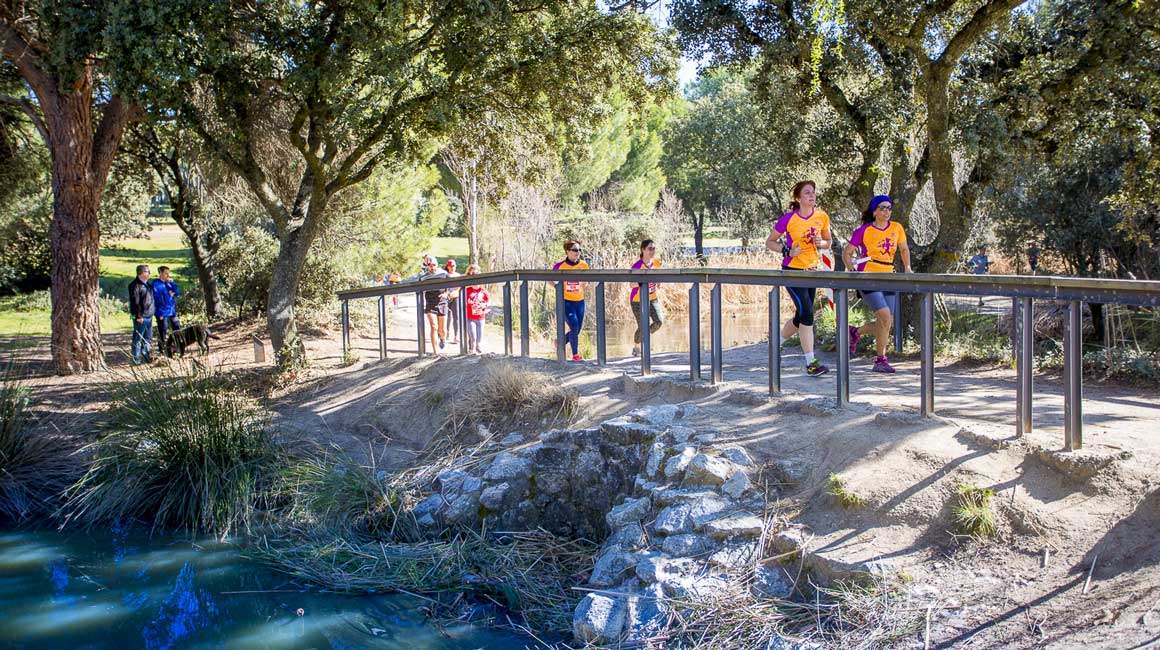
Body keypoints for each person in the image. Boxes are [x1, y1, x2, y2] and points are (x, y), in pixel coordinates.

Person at [766, 180, 832, 377]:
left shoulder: (822, 217)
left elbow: (828, 242)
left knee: (800, 316)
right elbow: (770, 242)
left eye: (813, 192)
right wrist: (787, 250)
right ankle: (811, 363)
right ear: (798, 198)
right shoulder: (788, 219)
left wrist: (822, 243)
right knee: (808, 313)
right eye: (807, 193)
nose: (812, 196)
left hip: (811, 271)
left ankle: (775, 343)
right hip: (792, 271)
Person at [843, 195, 912, 373]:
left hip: (889, 276)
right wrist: (851, 270)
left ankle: (856, 333)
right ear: (874, 211)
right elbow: (847, 253)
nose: (887, 211)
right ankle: (880, 359)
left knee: (886, 322)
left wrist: (908, 268)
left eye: (889, 208)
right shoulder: (864, 230)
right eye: (882, 208)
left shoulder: (897, 228)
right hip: (868, 277)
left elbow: (904, 249)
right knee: (884, 315)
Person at [405, 255, 449, 354]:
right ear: (427, 266)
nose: (432, 267)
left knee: (442, 330)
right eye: (430, 265)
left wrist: (446, 294)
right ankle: (436, 352)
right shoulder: (423, 278)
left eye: (434, 265)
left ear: (437, 265)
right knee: (434, 327)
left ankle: (442, 338)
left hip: (442, 303)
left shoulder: (444, 274)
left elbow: (449, 287)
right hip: (430, 303)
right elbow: (419, 290)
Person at [553, 240, 589, 361]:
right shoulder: (560, 266)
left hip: (580, 301)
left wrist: (585, 284)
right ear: (567, 251)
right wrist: (556, 287)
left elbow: (587, 280)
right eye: (574, 250)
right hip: (566, 302)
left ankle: (560, 341)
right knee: (573, 325)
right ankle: (575, 355)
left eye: (579, 250)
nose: (577, 252)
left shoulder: (584, 265)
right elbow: (549, 278)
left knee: (577, 329)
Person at [630, 239, 663, 357]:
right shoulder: (637, 265)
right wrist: (643, 281)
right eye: (649, 249)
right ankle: (637, 347)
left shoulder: (657, 263)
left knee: (659, 321)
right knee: (642, 325)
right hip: (637, 300)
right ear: (643, 250)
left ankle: (643, 340)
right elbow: (632, 284)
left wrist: (658, 282)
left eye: (654, 249)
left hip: (653, 298)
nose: (652, 251)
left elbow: (659, 278)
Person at [151, 266, 182, 357]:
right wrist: (160, 312)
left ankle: (177, 346)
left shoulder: (169, 283)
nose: (168, 275)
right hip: (162, 311)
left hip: (171, 310)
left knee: (176, 327)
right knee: (163, 329)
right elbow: (157, 297)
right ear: (160, 273)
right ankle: (162, 349)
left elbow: (177, 292)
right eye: (166, 273)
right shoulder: (156, 283)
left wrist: (172, 284)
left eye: (168, 273)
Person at [128, 264, 155, 364]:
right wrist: (138, 316)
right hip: (140, 317)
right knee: (138, 337)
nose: (149, 273)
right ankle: (136, 358)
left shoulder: (147, 284)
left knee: (148, 337)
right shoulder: (135, 285)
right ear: (142, 273)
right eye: (147, 271)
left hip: (149, 315)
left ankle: (146, 355)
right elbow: (135, 302)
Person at [464, 263, 489, 354]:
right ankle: (472, 350)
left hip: (481, 317)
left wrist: (484, 306)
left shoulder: (483, 291)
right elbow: (462, 301)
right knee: (473, 335)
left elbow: (488, 301)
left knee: (479, 336)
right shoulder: (467, 290)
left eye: (476, 275)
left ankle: (478, 346)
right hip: (470, 317)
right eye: (472, 274)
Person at [444, 259, 461, 344]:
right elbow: (445, 287)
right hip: (447, 297)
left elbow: (460, 286)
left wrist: (455, 292)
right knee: (447, 316)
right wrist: (447, 294)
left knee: (456, 316)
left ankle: (456, 335)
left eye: (453, 266)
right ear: (447, 267)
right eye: (450, 266)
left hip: (456, 297)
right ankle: (447, 332)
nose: (452, 267)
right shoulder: (446, 275)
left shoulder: (458, 275)